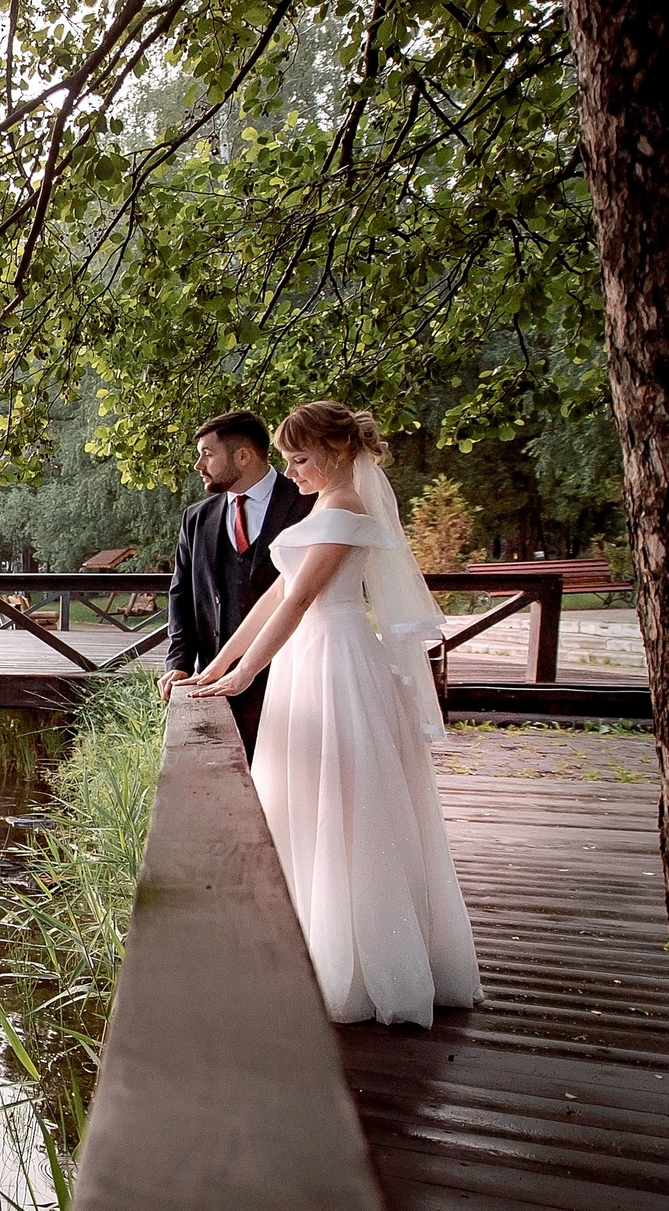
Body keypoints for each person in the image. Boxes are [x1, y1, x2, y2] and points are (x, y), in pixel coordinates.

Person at [189, 402, 480, 1027]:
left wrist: (243, 677)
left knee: (347, 806)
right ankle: (310, 945)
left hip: (338, 663)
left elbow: (297, 603)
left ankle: (360, 961)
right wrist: (217, 666)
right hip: (306, 665)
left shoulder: (346, 509)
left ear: (338, 453)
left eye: (299, 459)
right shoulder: (323, 506)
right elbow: (270, 599)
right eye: (289, 460)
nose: (290, 472)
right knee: (302, 801)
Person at [160, 409, 314, 757]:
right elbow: (182, 596)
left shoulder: (309, 503)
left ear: (243, 456)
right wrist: (179, 663)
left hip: (293, 674)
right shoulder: (196, 518)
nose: (199, 465)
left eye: (208, 454)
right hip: (216, 679)